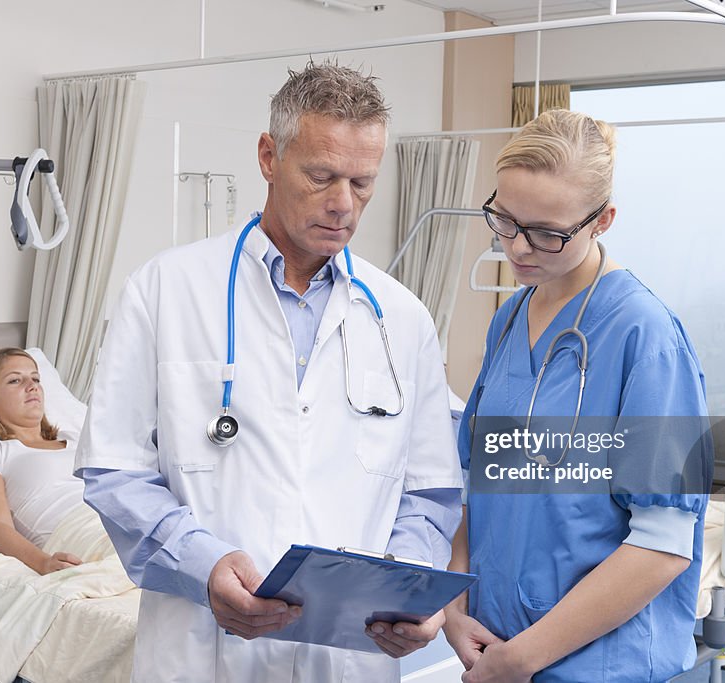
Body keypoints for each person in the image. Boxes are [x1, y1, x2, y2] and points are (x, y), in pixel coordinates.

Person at [75, 61, 464, 683]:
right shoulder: (165, 290)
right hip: (204, 652)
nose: (343, 205)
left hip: (348, 659)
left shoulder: (402, 318)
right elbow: (114, 470)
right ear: (268, 155)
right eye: (321, 176)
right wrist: (203, 565)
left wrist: (411, 589)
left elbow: (430, 492)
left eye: (362, 183)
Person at [444, 109, 712, 683]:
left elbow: (663, 544)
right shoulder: (511, 319)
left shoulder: (647, 337)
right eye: (504, 220)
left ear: (603, 220)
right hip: (494, 648)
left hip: (594, 665)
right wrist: (454, 600)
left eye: (547, 233)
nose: (518, 248)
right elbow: (481, 482)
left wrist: (523, 658)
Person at [0, 347, 86, 575]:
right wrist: (43, 563)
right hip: (80, 536)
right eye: (15, 380)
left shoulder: (76, 438)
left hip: (123, 520)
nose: (32, 386)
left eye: (35, 378)